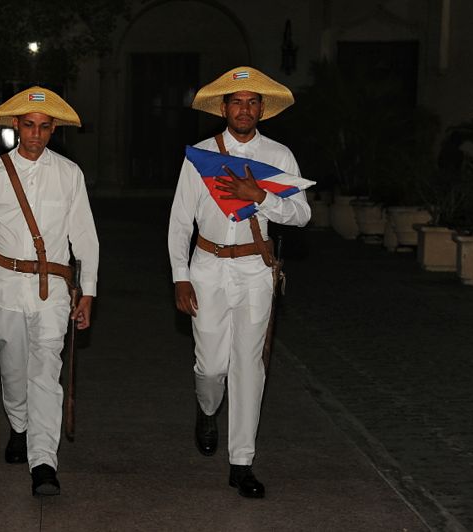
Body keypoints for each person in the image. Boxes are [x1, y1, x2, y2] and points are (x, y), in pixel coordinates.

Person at [168, 67, 311, 498]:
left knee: (250, 366)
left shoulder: (280, 156)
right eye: (236, 102)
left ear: (262, 109)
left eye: (252, 102)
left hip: (254, 269)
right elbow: (179, 221)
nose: (244, 109)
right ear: (223, 108)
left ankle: (242, 461)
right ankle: (207, 407)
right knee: (211, 366)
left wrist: (262, 198)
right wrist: (180, 277)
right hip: (207, 266)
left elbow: (302, 215)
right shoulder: (200, 154)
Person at [0, 86, 99, 497]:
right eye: (29, 125)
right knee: (13, 368)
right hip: (5, 287)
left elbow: (85, 237)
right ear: (16, 125)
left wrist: (87, 291)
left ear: (54, 130)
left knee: (46, 374)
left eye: (44, 127)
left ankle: (44, 463)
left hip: (53, 289)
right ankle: (18, 424)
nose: (36, 134)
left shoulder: (70, 174)